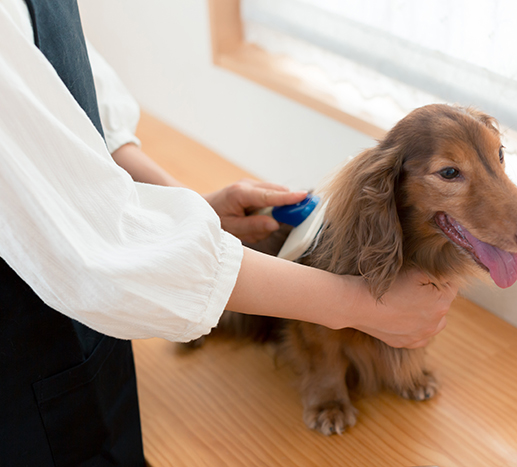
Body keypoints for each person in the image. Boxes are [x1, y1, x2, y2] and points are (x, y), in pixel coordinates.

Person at [0, 0, 457, 464]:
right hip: (26, 355)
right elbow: (95, 247)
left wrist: (194, 208)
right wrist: (356, 304)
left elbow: (74, 103)